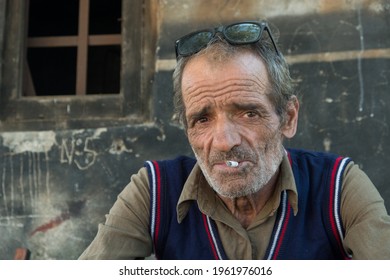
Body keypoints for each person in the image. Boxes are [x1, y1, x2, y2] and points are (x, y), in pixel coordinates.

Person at [79, 20, 390, 260]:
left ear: (288, 117)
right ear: (188, 130)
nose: (225, 141)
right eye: (202, 119)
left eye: (248, 114)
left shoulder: (337, 186)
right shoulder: (155, 192)